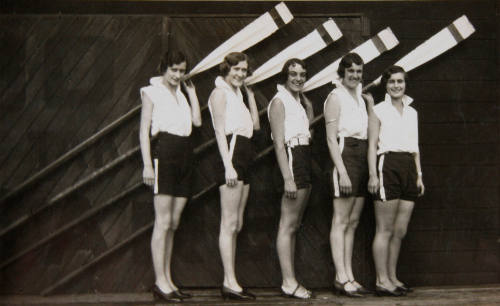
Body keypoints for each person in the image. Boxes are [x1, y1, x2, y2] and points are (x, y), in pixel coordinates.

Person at [139, 51, 202, 302]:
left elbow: (197, 122)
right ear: (164, 68)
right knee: (163, 221)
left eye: (181, 70)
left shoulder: (182, 94)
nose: (178, 75)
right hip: (163, 152)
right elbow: (144, 131)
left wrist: (193, 92)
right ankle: (160, 282)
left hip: (185, 153)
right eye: (173, 70)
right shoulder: (151, 92)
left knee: (174, 222)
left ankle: (168, 279)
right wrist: (147, 165)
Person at [367, 65, 424, 296]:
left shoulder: (412, 112)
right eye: (392, 82)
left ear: (405, 84)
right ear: (386, 85)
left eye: (400, 82)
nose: (396, 86)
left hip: (409, 167)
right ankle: (381, 281)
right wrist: (372, 174)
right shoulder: (378, 110)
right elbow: (371, 145)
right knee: (385, 228)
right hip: (387, 166)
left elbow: (415, 147)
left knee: (399, 230)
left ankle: (392, 277)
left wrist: (419, 175)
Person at [208, 52, 260, 300]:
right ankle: (229, 282)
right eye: (236, 69)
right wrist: (228, 166)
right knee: (229, 223)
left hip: (245, 152)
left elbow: (256, 126)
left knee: (237, 223)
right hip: (231, 153)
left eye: (244, 70)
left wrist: (249, 96)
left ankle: (232, 280)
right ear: (226, 69)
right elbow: (219, 131)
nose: (240, 74)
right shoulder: (219, 93)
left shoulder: (238, 94)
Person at [323, 53, 372, 297]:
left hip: (362, 154)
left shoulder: (361, 97)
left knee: (352, 222)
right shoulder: (335, 96)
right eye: (350, 71)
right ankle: (340, 277)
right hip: (345, 154)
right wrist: (342, 172)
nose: (354, 75)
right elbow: (331, 138)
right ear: (342, 72)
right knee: (341, 220)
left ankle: (349, 275)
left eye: (359, 72)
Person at [268, 58, 314, 299]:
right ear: (285, 75)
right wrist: (288, 177)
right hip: (291, 159)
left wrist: (309, 109)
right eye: (294, 74)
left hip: (303, 156)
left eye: (302, 74)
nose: (298, 78)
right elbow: (278, 144)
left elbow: (306, 132)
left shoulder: (297, 101)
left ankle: (291, 279)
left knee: (294, 225)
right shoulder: (279, 102)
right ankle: (288, 282)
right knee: (287, 224)